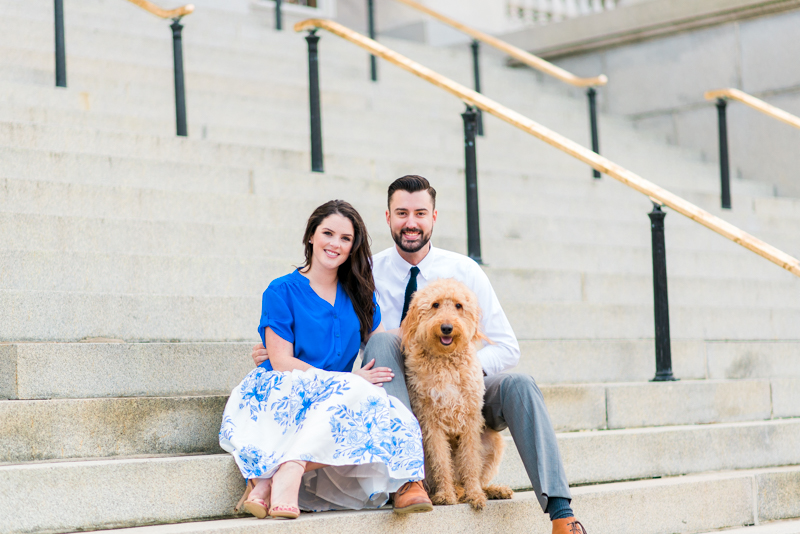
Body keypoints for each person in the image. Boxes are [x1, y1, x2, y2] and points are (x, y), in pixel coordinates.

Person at [252, 177, 587, 534]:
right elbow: (339, 325)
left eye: (420, 213)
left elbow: (507, 347)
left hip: (467, 388)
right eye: (402, 213)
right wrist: (277, 348)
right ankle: (409, 477)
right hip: (402, 388)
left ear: (434, 217)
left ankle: (560, 512)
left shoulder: (466, 271)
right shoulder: (366, 272)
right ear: (388, 217)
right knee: (382, 344)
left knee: (520, 385)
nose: (411, 222)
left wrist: (456, 373)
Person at [222, 199, 431, 520]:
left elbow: (383, 341)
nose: (335, 244)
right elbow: (281, 363)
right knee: (356, 395)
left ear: (353, 247)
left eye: (345, 239)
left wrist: (430, 323)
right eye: (328, 233)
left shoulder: (361, 294)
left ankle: (281, 473)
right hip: (283, 387)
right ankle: (280, 476)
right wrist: (347, 380)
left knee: (391, 415)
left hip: (337, 395)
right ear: (311, 236)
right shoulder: (281, 290)